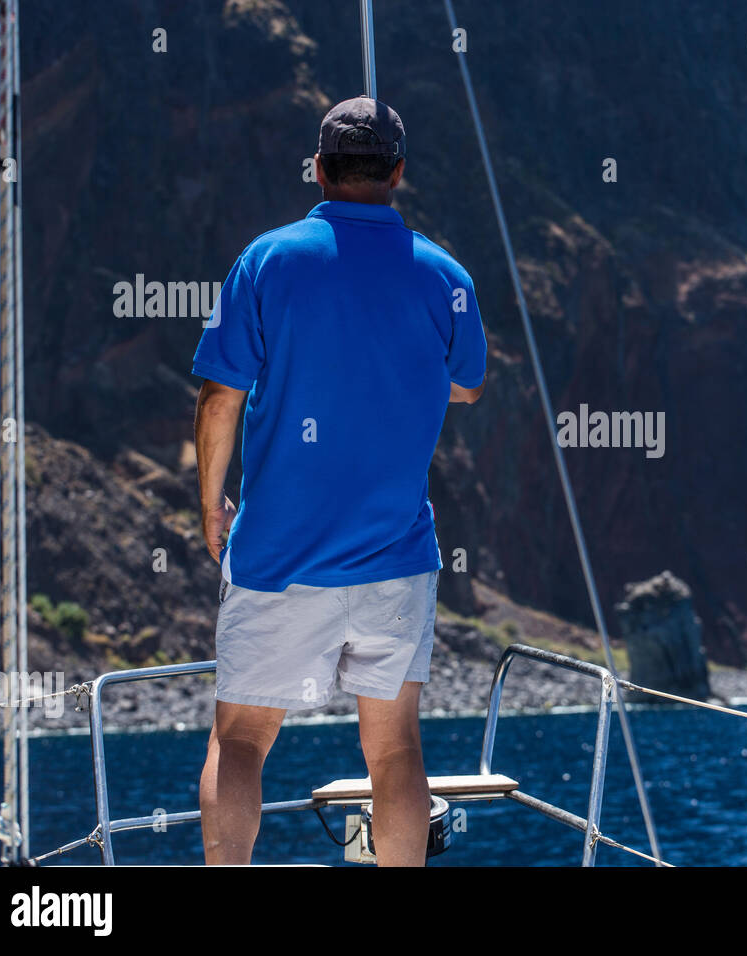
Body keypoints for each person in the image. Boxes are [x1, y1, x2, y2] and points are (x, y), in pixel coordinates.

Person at [190, 96, 486, 866]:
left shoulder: (267, 261)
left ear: (318, 170)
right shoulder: (444, 275)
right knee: (392, 750)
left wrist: (210, 503)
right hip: (395, 557)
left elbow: (221, 394)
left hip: (279, 555)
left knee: (243, 739)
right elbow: (466, 384)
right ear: (398, 173)